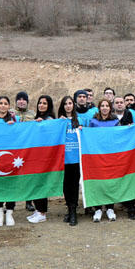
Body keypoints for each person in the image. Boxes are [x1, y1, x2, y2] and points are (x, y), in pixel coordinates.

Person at [88, 98, 120, 222]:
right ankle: (98, 209)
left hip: (111, 156)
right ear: (99, 108)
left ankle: (110, 208)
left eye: (107, 105)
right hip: (97, 156)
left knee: (110, 181)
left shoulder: (115, 121)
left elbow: (120, 136)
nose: (105, 108)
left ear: (110, 108)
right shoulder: (93, 121)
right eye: (102, 106)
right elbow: (88, 137)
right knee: (98, 182)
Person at [26, 95, 55, 224]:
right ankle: (38, 210)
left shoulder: (49, 119)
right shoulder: (37, 118)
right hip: (35, 156)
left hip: (45, 157)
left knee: (41, 184)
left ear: (49, 105)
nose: (41, 105)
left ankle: (42, 212)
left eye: (44, 103)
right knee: (35, 183)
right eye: (40, 103)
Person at [0, 96, 17, 226]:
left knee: (11, 186)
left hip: (10, 157)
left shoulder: (13, 119)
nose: (3, 106)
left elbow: (21, 134)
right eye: (0, 103)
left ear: (9, 106)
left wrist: (14, 126)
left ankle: (10, 213)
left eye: (6, 103)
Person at [58, 96, 81, 226]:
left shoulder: (80, 120)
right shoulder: (59, 121)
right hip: (63, 159)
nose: (68, 106)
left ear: (73, 105)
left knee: (74, 185)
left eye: (70, 103)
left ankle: (73, 211)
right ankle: (69, 208)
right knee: (66, 185)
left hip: (77, 159)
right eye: (65, 104)